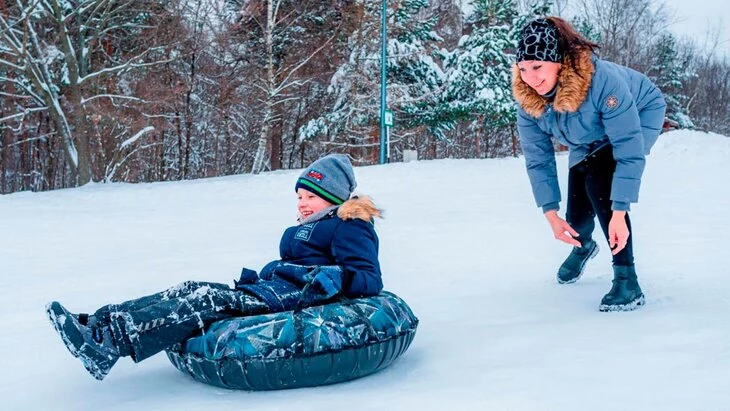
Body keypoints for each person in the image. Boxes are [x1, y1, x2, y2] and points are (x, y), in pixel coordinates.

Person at [47, 154, 383, 380]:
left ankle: (108, 345)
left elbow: (369, 277)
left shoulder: (349, 223)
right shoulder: (310, 226)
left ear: (334, 197)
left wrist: (330, 277)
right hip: (273, 289)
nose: (302, 204)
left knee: (205, 301)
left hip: (297, 296)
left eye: (310, 197)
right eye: (299, 197)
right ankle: (98, 324)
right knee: (190, 289)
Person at [511, 17, 666, 312]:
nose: (530, 77)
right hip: (589, 131)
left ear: (559, 62)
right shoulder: (528, 100)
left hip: (640, 113)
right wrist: (550, 212)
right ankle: (583, 244)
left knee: (600, 182)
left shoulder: (601, 82)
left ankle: (627, 280)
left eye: (538, 66)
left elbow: (628, 149)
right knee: (578, 204)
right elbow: (537, 159)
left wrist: (619, 210)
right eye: (523, 68)